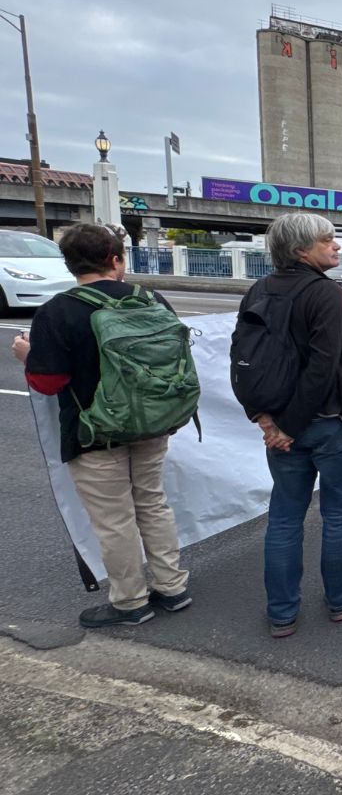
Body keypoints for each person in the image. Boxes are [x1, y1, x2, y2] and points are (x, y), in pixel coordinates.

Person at [12, 223, 192, 628]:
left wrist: (28, 354)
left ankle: (131, 602)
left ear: (70, 264)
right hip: (152, 424)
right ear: (115, 259)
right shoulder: (152, 299)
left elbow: (47, 381)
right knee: (153, 503)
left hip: (94, 434)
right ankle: (173, 586)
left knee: (115, 519)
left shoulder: (57, 311)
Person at [235, 213, 342, 637]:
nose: (336, 246)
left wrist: (265, 419)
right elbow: (323, 368)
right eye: (326, 240)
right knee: (339, 514)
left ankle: (281, 612)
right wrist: (288, 426)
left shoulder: (258, 290)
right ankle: (339, 601)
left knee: (285, 517)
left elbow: (240, 360)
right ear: (300, 251)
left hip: (278, 424)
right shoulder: (325, 294)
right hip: (330, 422)